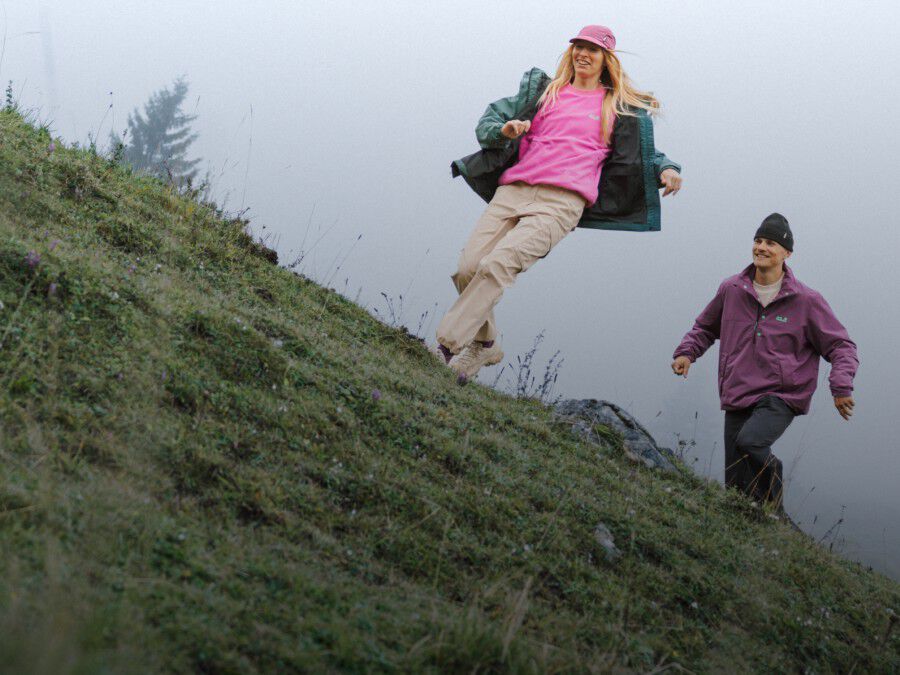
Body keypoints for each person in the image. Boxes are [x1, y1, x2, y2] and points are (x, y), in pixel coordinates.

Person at [435, 24, 682, 381]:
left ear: (606, 59)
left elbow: (643, 153)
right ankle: (485, 343)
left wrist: (668, 168)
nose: (583, 54)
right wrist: (504, 130)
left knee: (498, 265)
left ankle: (444, 347)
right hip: (514, 190)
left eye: (592, 49)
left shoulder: (616, 106)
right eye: (578, 47)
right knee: (468, 268)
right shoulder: (546, 92)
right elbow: (491, 119)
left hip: (562, 203)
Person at [671, 214, 859, 512]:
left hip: (781, 394)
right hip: (737, 391)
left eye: (770, 243)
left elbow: (841, 346)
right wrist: (686, 353)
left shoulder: (806, 300)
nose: (761, 247)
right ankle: (754, 527)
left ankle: (775, 510)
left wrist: (841, 387)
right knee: (735, 487)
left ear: (787, 253)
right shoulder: (732, 289)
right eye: (758, 241)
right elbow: (706, 327)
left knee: (751, 442)